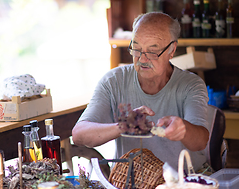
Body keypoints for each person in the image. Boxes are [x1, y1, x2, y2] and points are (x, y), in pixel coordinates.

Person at [72, 12, 211, 171]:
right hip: (131, 184)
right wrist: (124, 126)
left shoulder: (190, 84)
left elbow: (201, 142)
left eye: (152, 51)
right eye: (136, 48)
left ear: (171, 50)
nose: (142, 59)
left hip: (181, 183)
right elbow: (79, 135)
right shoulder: (113, 81)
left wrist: (184, 129)